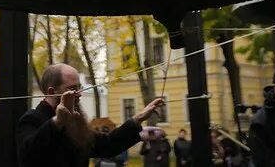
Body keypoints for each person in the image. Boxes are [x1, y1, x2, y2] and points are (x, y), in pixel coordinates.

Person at [17, 63, 165, 167]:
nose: (80, 94)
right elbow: (28, 157)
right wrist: (57, 122)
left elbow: (108, 145)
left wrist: (138, 118)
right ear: (51, 92)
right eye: (73, 89)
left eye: (79, 87)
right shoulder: (32, 119)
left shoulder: (75, 123)